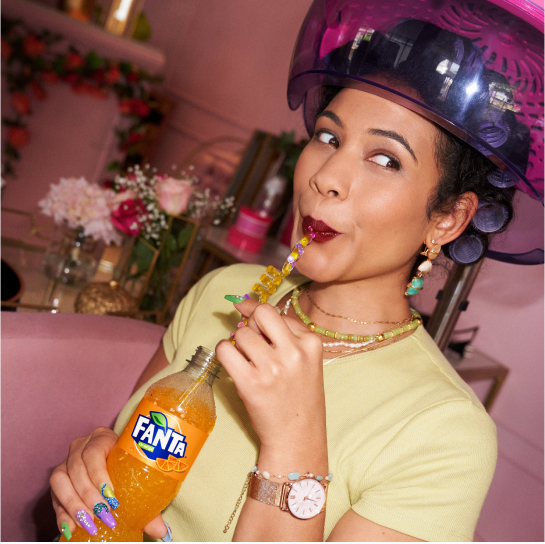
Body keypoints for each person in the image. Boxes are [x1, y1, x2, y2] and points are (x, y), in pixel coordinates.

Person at [50, 0, 543, 541]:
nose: (326, 177)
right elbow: (125, 460)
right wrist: (94, 459)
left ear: (448, 219)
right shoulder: (225, 291)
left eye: (385, 159)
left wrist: (293, 439)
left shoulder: (446, 434)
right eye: (329, 137)